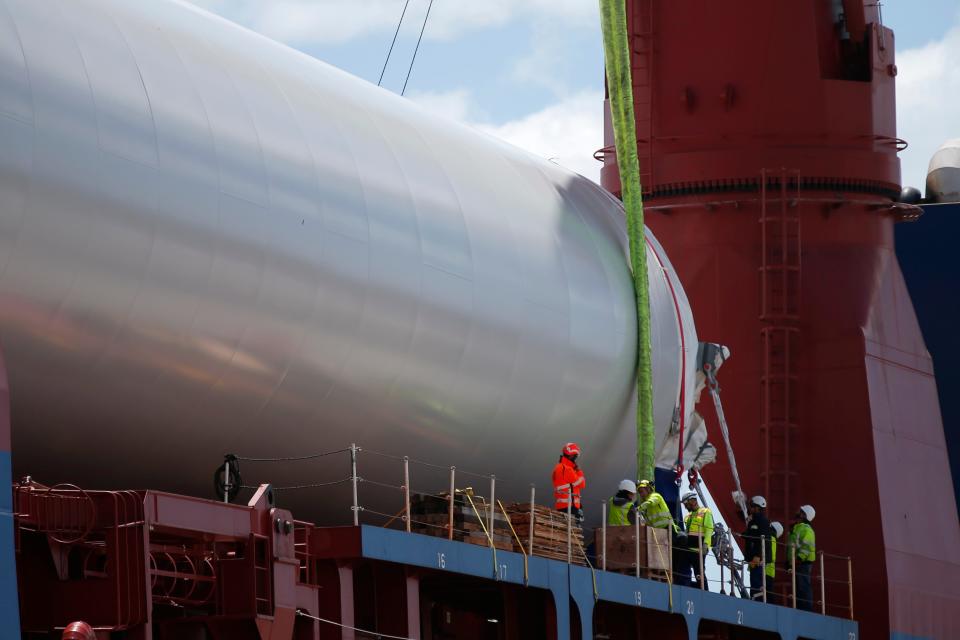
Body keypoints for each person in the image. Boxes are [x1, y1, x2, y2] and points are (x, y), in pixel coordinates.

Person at [681, 491, 714, 589]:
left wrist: (706, 545)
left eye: (686, 504)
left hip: (699, 549)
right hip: (688, 549)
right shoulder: (687, 517)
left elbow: (709, 529)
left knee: (699, 573)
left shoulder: (705, 512)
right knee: (683, 570)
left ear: (692, 501)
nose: (686, 507)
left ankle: (705, 592)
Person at [787, 504, 817, 611]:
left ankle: (806, 609)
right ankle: (800, 608)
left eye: (800, 511)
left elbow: (807, 547)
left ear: (804, 515)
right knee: (798, 587)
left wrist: (798, 559)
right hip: (797, 563)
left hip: (803, 563)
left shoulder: (807, 529)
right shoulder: (798, 528)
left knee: (803, 586)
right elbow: (792, 545)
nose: (797, 512)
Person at [744, 495, 772, 601]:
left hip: (758, 558)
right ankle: (754, 599)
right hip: (752, 558)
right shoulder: (753, 521)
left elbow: (764, 540)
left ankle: (758, 602)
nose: (750, 508)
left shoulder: (763, 521)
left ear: (757, 507)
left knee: (757, 581)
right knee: (753, 581)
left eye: (752, 506)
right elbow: (751, 534)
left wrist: (758, 556)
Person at [552, 442, 585, 520]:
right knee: (572, 529)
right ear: (571, 455)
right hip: (570, 506)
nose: (575, 459)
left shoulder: (558, 467)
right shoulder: (567, 469)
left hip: (561, 506)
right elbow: (582, 484)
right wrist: (579, 471)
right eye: (575, 456)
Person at [763, 521, 784, 604]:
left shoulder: (770, 538)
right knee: (768, 592)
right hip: (769, 571)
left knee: (765, 593)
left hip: (765, 569)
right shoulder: (773, 539)